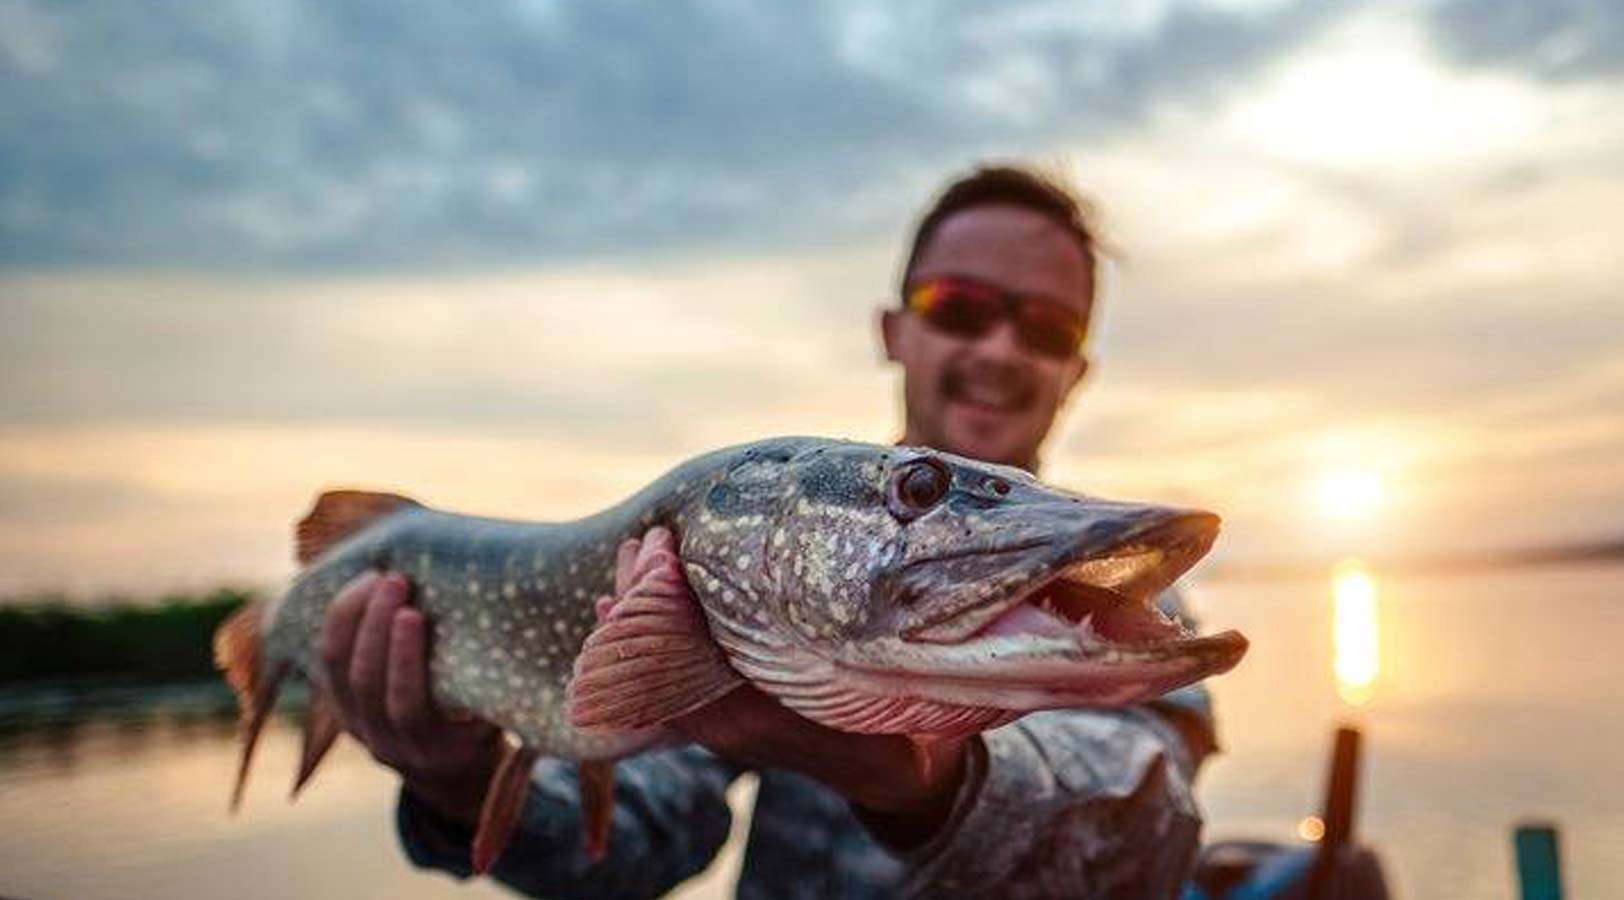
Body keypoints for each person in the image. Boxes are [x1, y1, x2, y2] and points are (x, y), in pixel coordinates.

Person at [318, 165, 1223, 899]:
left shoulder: (1109, 603)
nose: (997, 350)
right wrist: (459, 780)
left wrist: (923, 778)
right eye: (959, 307)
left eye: (1047, 327)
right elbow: (636, 843)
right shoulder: (763, 559)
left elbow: (1145, 849)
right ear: (894, 330)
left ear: (1077, 371)